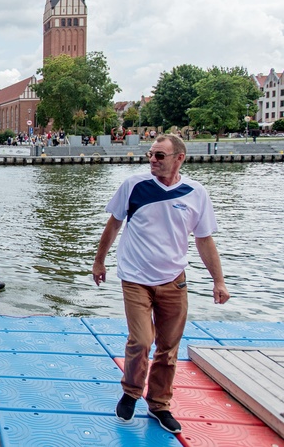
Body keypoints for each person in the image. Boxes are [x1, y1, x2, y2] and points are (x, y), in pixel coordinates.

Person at [92, 133, 230, 435]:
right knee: (141, 340)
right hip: (135, 278)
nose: (152, 160)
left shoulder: (196, 193)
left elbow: (204, 239)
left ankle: (159, 404)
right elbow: (114, 224)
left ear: (179, 158)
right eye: (150, 155)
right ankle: (130, 393)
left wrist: (218, 281)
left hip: (173, 280)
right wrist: (99, 261)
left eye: (159, 156)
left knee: (168, 348)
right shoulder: (134, 185)